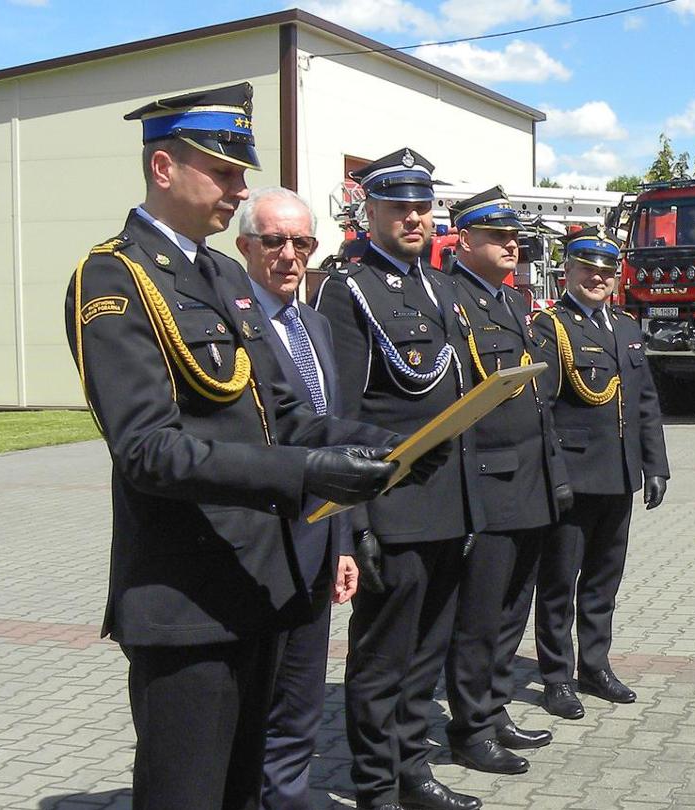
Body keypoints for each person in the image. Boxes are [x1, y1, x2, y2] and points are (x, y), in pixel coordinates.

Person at [63, 83, 409, 810]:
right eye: (223, 172)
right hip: (187, 598)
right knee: (186, 794)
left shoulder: (221, 272)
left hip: (259, 584)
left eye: (239, 172)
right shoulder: (115, 279)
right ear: (164, 168)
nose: (239, 188)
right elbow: (148, 450)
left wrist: (393, 445)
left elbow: (281, 411)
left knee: (242, 794)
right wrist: (308, 471)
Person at [313, 148, 485, 810]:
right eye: (399, 206)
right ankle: (376, 787)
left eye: (422, 205)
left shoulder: (440, 287)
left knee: (425, 657)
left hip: (447, 507)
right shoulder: (346, 288)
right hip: (391, 508)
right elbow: (339, 417)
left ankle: (414, 770)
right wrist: (353, 526)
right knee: (382, 662)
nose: (414, 217)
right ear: (371, 211)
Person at [439, 186, 571, 775]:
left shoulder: (516, 305)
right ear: (465, 241)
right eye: (496, 236)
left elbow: (540, 402)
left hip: (531, 483)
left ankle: (492, 711)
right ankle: (469, 728)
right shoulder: (453, 301)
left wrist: (556, 477)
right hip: (488, 484)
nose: (511, 244)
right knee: (479, 615)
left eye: (514, 235)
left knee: (512, 609)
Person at [228, 186, 352, 810]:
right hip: (260, 542)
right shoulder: (234, 325)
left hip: (317, 537)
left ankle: (290, 797)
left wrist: (344, 540)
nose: (289, 255)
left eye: (301, 242)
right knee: (258, 702)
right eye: (273, 241)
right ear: (244, 245)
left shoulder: (317, 326)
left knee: (304, 696)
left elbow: (332, 435)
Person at [532, 227, 668, 721]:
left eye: (607, 271)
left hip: (618, 476)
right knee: (558, 582)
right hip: (573, 477)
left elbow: (645, 401)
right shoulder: (551, 326)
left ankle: (595, 665)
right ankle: (556, 677)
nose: (598, 277)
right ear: (567, 271)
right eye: (587, 268)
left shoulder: (627, 327)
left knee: (604, 580)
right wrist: (553, 475)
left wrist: (654, 465)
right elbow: (541, 408)